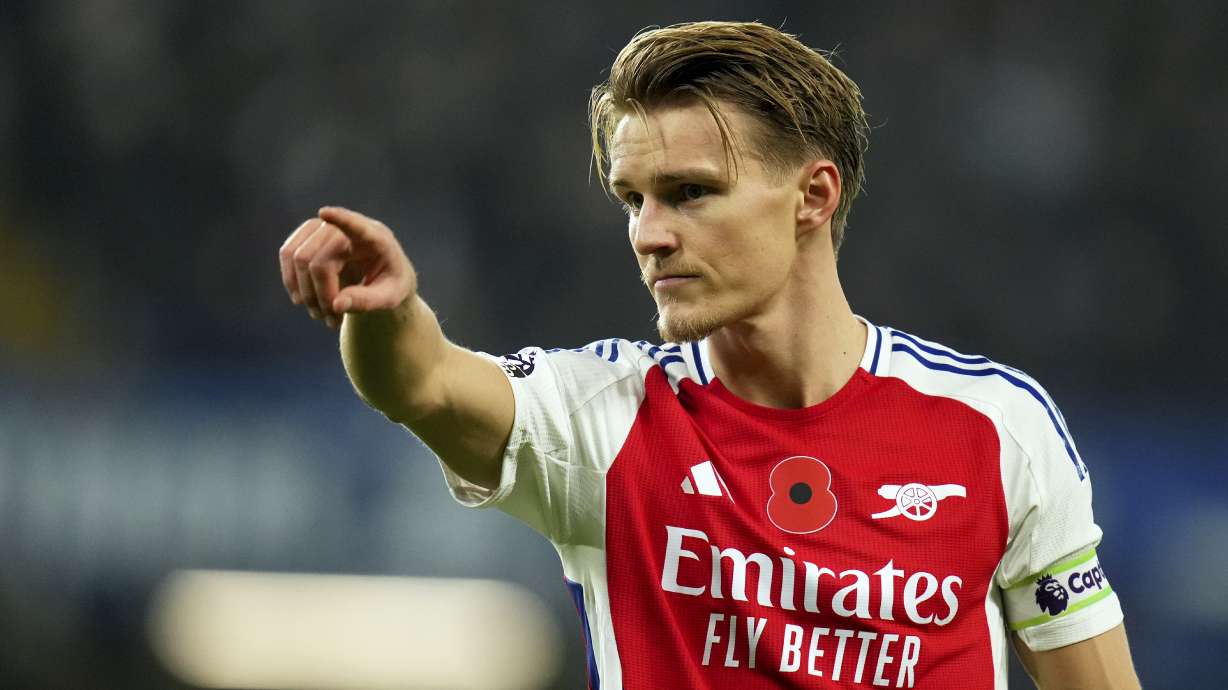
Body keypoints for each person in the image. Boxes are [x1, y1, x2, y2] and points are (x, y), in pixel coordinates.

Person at [277, 20, 1140, 690]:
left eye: (690, 193)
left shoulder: (996, 428)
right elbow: (423, 382)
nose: (649, 234)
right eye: (632, 199)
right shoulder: (603, 420)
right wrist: (388, 313)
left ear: (813, 194)